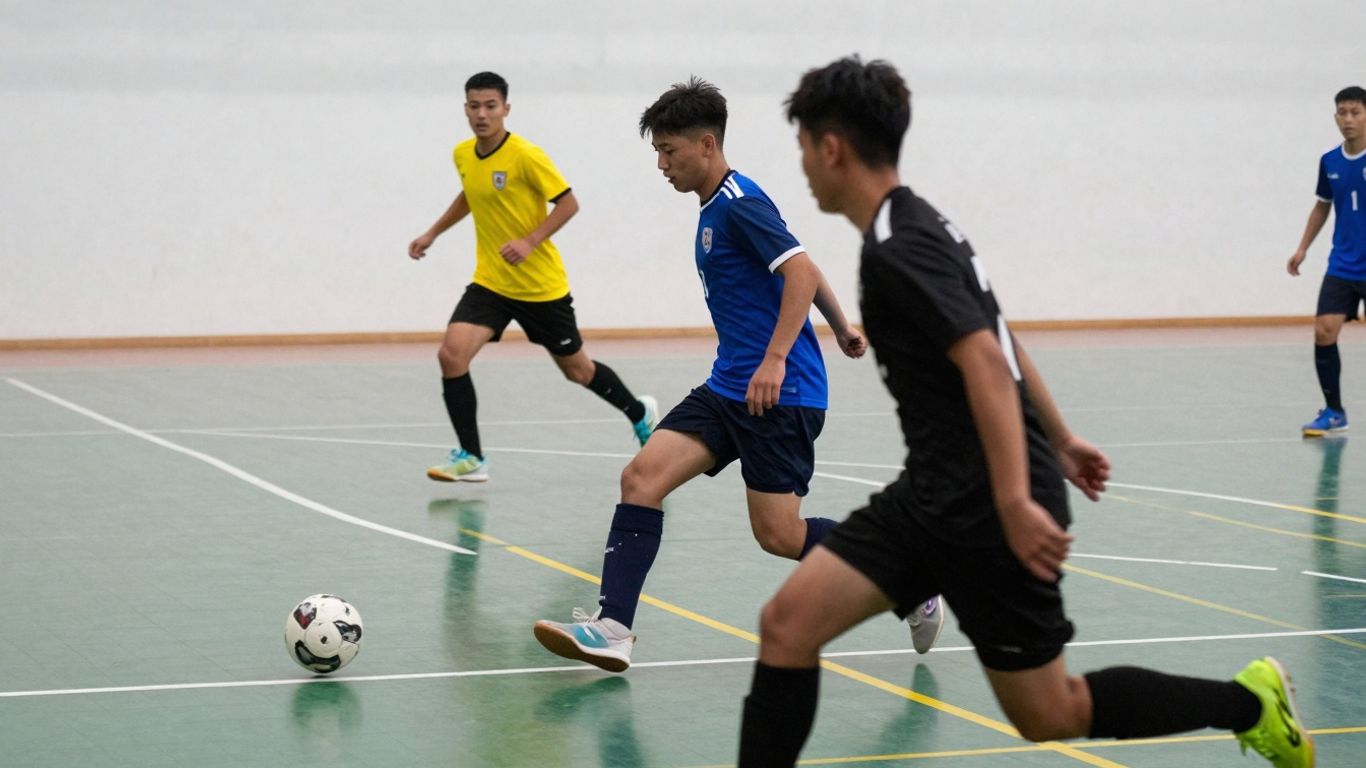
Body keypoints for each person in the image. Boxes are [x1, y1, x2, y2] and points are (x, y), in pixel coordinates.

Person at [736, 56, 1314, 768]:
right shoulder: (918, 223)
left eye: (802, 147)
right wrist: (1061, 437)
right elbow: (1000, 335)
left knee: (1049, 712)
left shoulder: (898, 247)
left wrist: (1014, 499)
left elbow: (985, 359)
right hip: (932, 495)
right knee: (787, 625)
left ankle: (1250, 704)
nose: (801, 166)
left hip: (988, 507)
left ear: (832, 148)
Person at [532, 77, 944, 673]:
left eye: (668, 151)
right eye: (657, 152)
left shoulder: (738, 203)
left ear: (706, 144)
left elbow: (799, 271)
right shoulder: (720, 205)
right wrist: (841, 325)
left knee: (779, 535)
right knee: (641, 478)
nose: (661, 164)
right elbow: (801, 262)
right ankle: (614, 628)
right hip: (730, 386)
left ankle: (909, 579)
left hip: (780, 394)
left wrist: (776, 359)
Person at [409, 71, 657, 482]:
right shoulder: (463, 154)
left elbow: (569, 203)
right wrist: (432, 232)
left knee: (577, 371)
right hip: (491, 282)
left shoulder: (526, 155)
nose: (482, 114)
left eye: (491, 106)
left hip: (540, 288)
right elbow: (471, 194)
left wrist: (529, 241)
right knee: (451, 355)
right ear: (465, 109)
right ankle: (472, 457)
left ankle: (639, 412)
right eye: (474, 106)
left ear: (506, 109)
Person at [1288, 85, 1366, 437]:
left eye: (1355, 112)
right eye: (1342, 112)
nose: (1348, 119)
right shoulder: (1330, 161)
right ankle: (1334, 412)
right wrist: (1303, 247)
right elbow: (1323, 205)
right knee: (1323, 332)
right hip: (1343, 264)